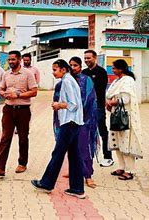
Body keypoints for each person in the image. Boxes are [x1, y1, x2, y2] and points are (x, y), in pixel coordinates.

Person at [31, 59, 85, 198]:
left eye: (55, 69)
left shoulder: (67, 81)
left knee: (58, 153)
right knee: (74, 156)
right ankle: (77, 188)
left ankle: (47, 183)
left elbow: (73, 105)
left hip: (70, 122)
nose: (53, 72)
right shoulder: (70, 80)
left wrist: (58, 105)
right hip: (75, 122)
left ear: (63, 69)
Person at [0, 50, 38, 176]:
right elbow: (1, 89)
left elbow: (34, 91)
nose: (11, 62)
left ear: (19, 59)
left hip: (23, 110)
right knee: (5, 137)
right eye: (9, 60)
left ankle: (22, 163)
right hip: (8, 109)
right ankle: (0, 168)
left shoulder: (28, 74)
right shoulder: (6, 74)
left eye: (13, 59)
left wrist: (17, 94)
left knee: (23, 138)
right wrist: (4, 94)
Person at [106, 59, 142, 180]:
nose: (113, 69)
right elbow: (112, 95)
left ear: (121, 69)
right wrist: (109, 103)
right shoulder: (118, 80)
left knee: (126, 143)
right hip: (116, 115)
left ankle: (130, 171)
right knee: (118, 141)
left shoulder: (128, 80)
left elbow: (125, 99)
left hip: (125, 116)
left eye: (114, 68)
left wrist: (111, 102)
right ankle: (121, 167)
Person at [69, 57, 98, 188]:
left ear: (80, 66)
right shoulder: (67, 80)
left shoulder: (86, 80)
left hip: (83, 120)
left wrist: (80, 114)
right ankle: (74, 171)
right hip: (68, 120)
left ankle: (88, 175)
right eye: (70, 65)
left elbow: (90, 98)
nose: (73, 68)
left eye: (75, 65)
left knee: (84, 147)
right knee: (70, 147)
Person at [82, 50, 113, 167]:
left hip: (98, 107)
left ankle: (108, 156)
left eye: (88, 58)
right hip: (85, 109)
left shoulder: (101, 72)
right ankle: (88, 155)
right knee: (86, 132)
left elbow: (100, 90)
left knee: (102, 131)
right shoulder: (83, 72)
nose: (86, 60)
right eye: (85, 58)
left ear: (95, 58)